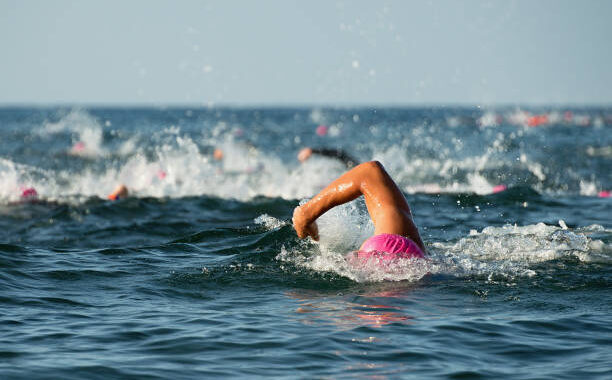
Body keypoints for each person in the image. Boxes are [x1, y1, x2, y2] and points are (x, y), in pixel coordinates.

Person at [292, 161, 426, 261]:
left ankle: (307, 213)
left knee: (371, 173)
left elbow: (370, 171)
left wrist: (308, 213)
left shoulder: (404, 242)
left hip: (394, 249)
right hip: (411, 270)